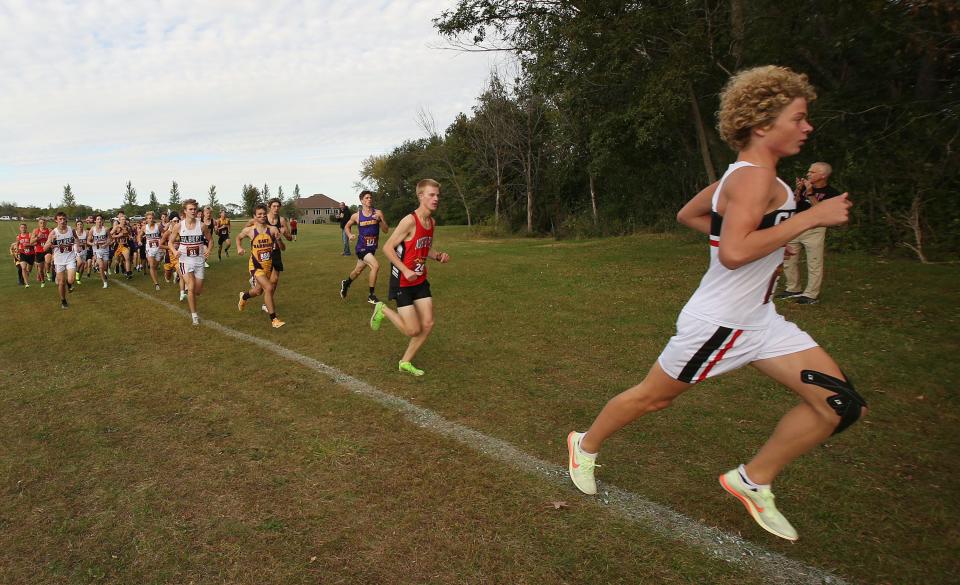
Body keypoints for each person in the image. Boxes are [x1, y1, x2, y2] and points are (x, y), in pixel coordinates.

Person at [566, 66, 864, 542]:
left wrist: (767, 240)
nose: (807, 128)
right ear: (764, 123)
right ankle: (584, 443)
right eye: (799, 118)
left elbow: (694, 215)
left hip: (761, 322)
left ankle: (752, 479)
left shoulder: (757, 177)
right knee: (653, 398)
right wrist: (813, 218)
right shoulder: (751, 179)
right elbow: (734, 250)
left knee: (839, 404)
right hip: (720, 323)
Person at [369, 179, 450, 376]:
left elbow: (425, 246)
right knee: (412, 330)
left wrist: (438, 256)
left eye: (437, 195)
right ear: (420, 196)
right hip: (403, 281)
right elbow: (388, 248)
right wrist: (405, 270)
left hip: (420, 279)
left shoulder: (431, 222)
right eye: (432, 195)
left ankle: (405, 362)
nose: (436, 198)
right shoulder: (409, 221)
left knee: (428, 323)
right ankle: (383, 309)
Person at [775, 162, 841, 305]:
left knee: (814, 262)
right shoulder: (804, 187)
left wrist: (810, 193)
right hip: (796, 225)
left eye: (812, 172)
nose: (808, 174)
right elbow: (793, 204)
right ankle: (793, 288)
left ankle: (811, 294)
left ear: (823, 175)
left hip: (814, 229)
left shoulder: (832, 193)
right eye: (808, 171)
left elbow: (822, 212)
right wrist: (798, 190)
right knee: (788, 260)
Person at [236, 203, 286, 328]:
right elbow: (238, 237)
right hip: (255, 266)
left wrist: (279, 240)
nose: (262, 216)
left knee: (258, 291)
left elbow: (283, 248)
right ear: (254, 216)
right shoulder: (250, 230)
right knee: (269, 288)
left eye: (264, 214)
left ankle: (244, 296)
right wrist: (239, 247)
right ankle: (274, 320)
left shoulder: (273, 230)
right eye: (259, 214)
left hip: (268, 265)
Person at [340, 190, 389, 304]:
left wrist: (380, 220)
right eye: (366, 198)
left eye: (370, 197)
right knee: (376, 266)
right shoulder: (357, 216)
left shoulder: (378, 213)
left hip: (371, 248)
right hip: (361, 248)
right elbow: (347, 227)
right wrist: (349, 235)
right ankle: (371, 296)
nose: (369, 199)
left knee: (357, 271)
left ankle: (346, 283)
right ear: (361, 200)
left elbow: (386, 230)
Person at [168, 200, 212, 326]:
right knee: (191, 286)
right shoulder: (179, 226)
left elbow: (210, 240)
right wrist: (174, 251)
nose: (193, 211)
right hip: (185, 260)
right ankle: (194, 316)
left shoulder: (202, 226)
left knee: (197, 291)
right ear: (185, 211)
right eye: (191, 209)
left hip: (199, 261)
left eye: (195, 209)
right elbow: (170, 242)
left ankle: (188, 289)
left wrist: (208, 249)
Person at [43, 211, 79, 309]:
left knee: (71, 279)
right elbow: (44, 248)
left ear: (66, 219)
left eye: (64, 219)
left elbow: (76, 238)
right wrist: (51, 240)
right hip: (59, 260)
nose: (62, 221)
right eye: (60, 219)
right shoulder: (53, 232)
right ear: (56, 221)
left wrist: (78, 246)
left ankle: (69, 284)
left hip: (70, 257)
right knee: (61, 282)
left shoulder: (71, 230)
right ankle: (63, 300)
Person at [139, 211, 164, 290]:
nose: (151, 219)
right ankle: (156, 284)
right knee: (152, 265)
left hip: (158, 249)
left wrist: (162, 241)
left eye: (152, 218)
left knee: (155, 266)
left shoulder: (158, 226)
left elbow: (163, 234)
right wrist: (139, 241)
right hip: (149, 249)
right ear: (146, 220)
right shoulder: (144, 227)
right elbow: (139, 235)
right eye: (149, 218)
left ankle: (154, 274)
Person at [88, 214, 112, 288]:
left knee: (104, 266)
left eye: (100, 219)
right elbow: (88, 241)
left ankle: (102, 271)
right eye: (98, 219)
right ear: (95, 221)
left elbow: (110, 239)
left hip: (105, 249)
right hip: (97, 250)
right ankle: (104, 282)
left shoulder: (106, 229)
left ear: (102, 221)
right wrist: (93, 243)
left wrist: (106, 244)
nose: (99, 221)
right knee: (101, 266)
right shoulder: (92, 229)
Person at [31, 218, 51, 287]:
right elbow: (31, 242)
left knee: (48, 260)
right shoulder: (36, 231)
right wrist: (37, 237)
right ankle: (43, 281)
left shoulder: (49, 230)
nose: (42, 224)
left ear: (46, 223)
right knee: (40, 269)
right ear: (38, 223)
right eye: (41, 223)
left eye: (44, 223)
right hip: (39, 251)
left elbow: (53, 239)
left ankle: (48, 271)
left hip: (47, 249)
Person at [13, 223, 33, 287]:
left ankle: (25, 277)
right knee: (23, 268)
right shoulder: (18, 236)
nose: (23, 229)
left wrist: (28, 245)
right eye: (22, 227)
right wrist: (17, 250)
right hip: (23, 253)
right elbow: (17, 244)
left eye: (24, 227)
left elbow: (34, 243)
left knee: (28, 270)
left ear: (26, 228)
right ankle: (27, 284)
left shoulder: (30, 235)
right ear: (20, 228)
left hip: (31, 254)